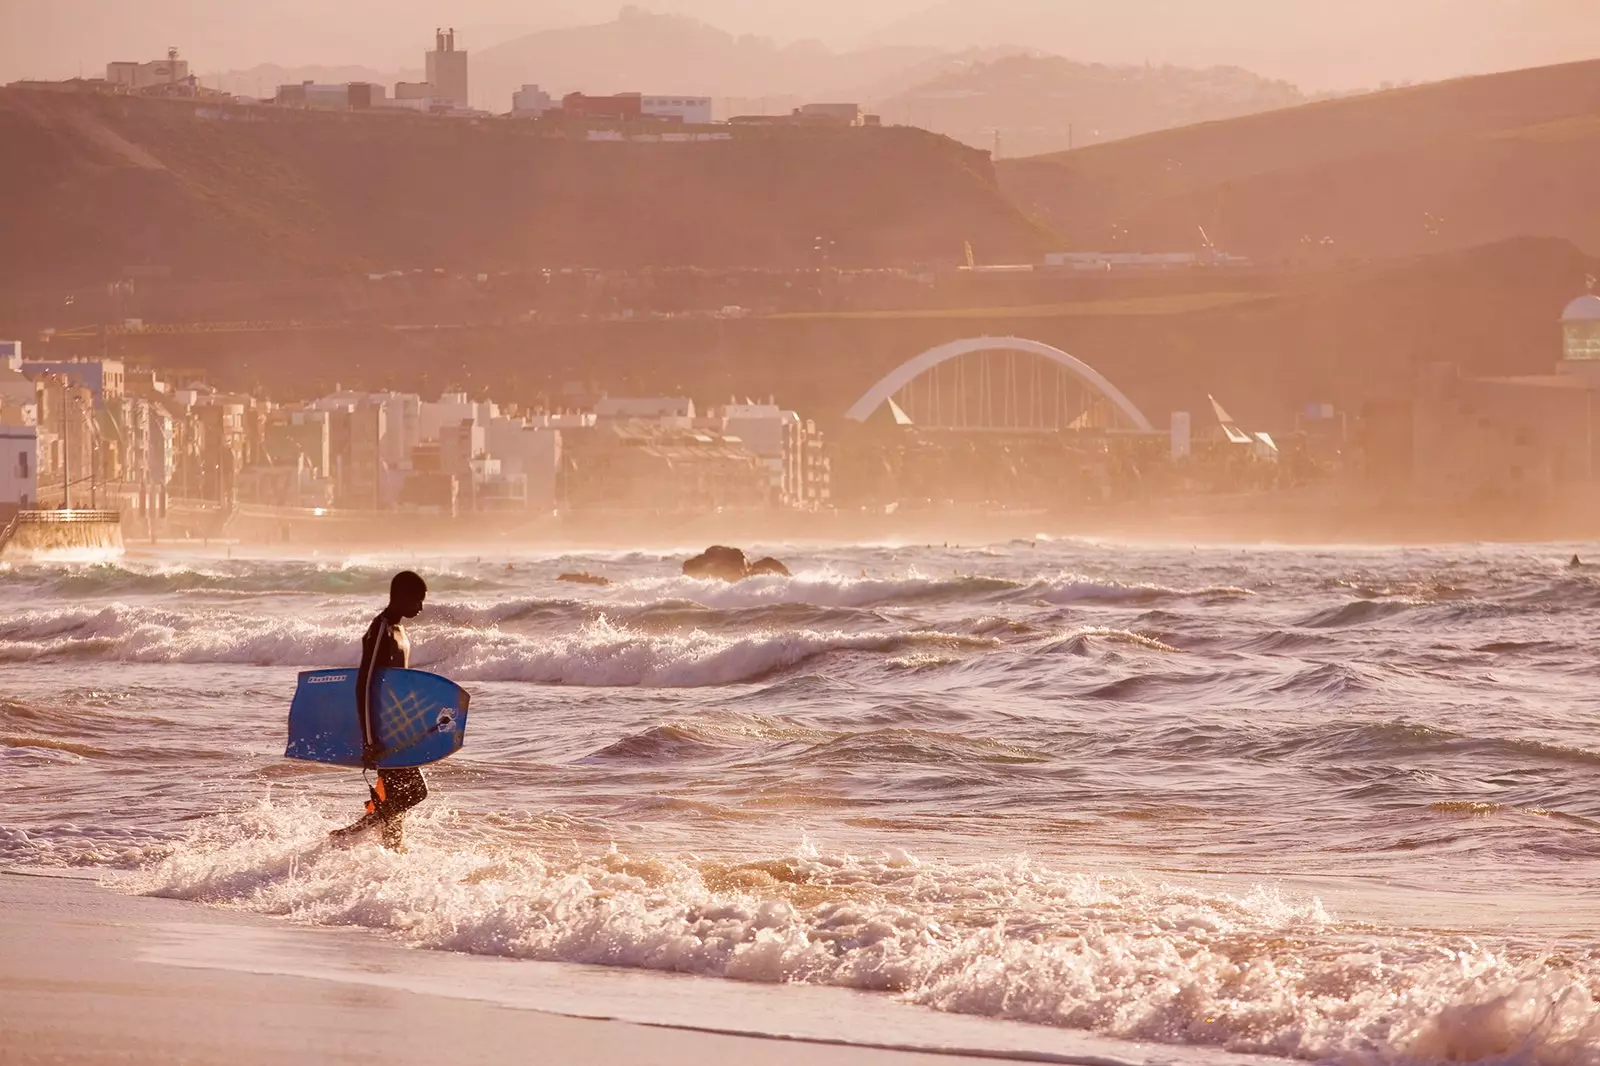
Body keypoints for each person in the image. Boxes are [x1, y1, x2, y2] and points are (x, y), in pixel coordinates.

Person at [330, 570, 429, 850]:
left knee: (397, 796)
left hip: (398, 727)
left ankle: (393, 853)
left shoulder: (399, 629)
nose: (420, 608)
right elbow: (365, 684)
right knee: (415, 792)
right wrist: (371, 739)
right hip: (384, 731)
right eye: (417, 600)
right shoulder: (381, 629)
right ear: (399, 596)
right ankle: (352, 833)